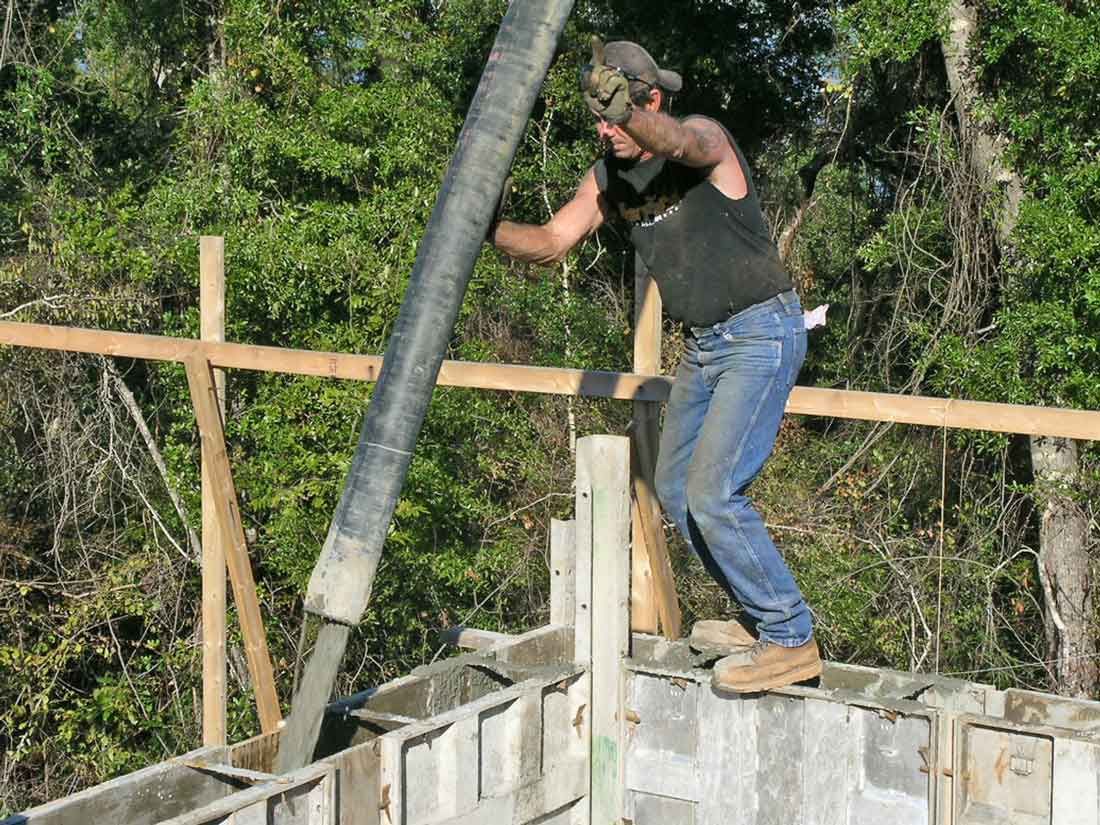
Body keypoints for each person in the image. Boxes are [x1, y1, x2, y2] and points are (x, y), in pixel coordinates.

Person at [489, 37, 820, 692]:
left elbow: (683, 143)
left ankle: (791, 636)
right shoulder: (609, 177)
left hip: (761, 331)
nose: (608, 132)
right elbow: (554, 241)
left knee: (713, 491)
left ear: (652, 101)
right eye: (602, 121)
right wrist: (487, 224)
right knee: (677, 490)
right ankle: (762, 620)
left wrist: (632, 115)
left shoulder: (704, 140)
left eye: (618, 116)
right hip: (705, 344)